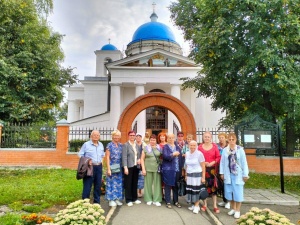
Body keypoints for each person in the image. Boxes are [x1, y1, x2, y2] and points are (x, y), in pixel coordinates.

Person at [220, 132, 249, 219]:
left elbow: (244, 163)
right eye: (230, 139)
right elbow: (222, 162)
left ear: (236, 140)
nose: (231, 141)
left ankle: (238, 210)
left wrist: (245, 174)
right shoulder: (225, 150)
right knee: (230, 193)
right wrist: (222, 173)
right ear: (227, 140)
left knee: (238, 193)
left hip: (238, 175)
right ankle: (233, 208)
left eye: (233, 139)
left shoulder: (240, 150)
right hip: (228, 175)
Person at [78, 130, 105, 204]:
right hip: (89, 167)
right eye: (94, 135)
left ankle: (97, 203)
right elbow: (80, 155)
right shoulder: (86, 144)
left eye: (97, 135)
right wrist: (87, 160)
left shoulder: (101, 145)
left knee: (98, 185)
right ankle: (85, 203)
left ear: (99, 137)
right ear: (91, 136)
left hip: (98, 167)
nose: (96, 136)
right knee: (87, 185)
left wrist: (101, 164)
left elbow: (102, 155)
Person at [198, 131, 221, 213]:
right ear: (203, 138)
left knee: (213, 188)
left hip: (212, 170)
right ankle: (205, 204)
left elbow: (218, 157)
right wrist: (204, 163)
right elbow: (197, 157)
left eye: (208, 137)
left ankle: (215, 205)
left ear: (211, 138)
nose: (207, 138)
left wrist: (213, 162)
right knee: (205, 187)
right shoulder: (200, 147)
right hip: (203, 170)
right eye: (205, 137)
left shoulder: (214, 147)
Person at [162, 133, 184, 209]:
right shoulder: (165, 147)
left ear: (174, 138)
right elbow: (165, 156)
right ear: (167, 139)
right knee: (168, 185)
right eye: (169, 138)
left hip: (177, 169)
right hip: (168, 169)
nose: (171, 139)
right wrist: (173, 154)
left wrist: (181, 169)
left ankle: (176, 201)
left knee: (175, 186)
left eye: (172, 138)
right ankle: (168, 201)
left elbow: (181, 159)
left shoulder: (177, 147)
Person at [184, 140, 206, 214]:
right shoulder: (187, 153)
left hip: (197, 175)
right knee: (191, 190)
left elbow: (203, 166)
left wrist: (203, 177)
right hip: (189, 175)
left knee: (196, 191)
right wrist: (186, 175)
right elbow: (186, 165)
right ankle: (194, 204)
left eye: (194, 145)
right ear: (189, 146)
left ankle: (197, 206)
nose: (192, 147)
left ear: (196, 146)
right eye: (191, 145)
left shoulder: (199, 154)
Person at [141, 134, 162, 206]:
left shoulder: (159, 148)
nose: (152, 141)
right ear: (149, 140)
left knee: (157, 184)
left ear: (156, 141)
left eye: (154, 140)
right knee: (148, 184)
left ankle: (157, 199)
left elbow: (162, 157)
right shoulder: (146, 148)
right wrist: (143, 169)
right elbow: (142, 159)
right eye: (151, 140)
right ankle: (148, 199)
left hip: (157, 168)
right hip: (148, 168)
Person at [122, 130, 142, 206]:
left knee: (134, 183)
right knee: (128, 183)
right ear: (128, 136)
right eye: (131, 135)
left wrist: (139, 159)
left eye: (134, 135)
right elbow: (124, 157)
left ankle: (134, 198)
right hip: (128, 167)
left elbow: (138, 154)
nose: (132, 137)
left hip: (135, 166)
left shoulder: (136, 145)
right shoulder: (126, 145)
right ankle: (128, 199)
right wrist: (125, 167)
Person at [105, 130, 123, 207]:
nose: (116, 137)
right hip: (112, 166)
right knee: (111, 183)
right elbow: (107, 157)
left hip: (119, 167)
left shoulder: (120, 145)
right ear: (112, 136)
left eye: (118, 136)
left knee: (119, 183)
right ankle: (111, 199)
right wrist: (108, 169)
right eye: (115, 135)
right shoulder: (109, 145)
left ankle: (117, 198)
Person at [216, 132, 230, 209]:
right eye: (220, 138)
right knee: (221, 185)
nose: (221, 139)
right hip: (219, 167)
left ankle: (228, 201)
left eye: (222, 137)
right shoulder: (217, 146)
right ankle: (224, 200)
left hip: (227, 167)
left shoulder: (228, 146)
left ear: (225, 138)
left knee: (227, 185)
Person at [136, 133, 146, 198]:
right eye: (137, 137)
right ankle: (135, 191)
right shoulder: (133, 144)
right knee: (135, 178)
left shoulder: (144, 145)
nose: (138, 138)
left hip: (142, 163)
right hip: (135, 163)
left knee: (141, 179)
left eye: (140, 137)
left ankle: (140, 191)